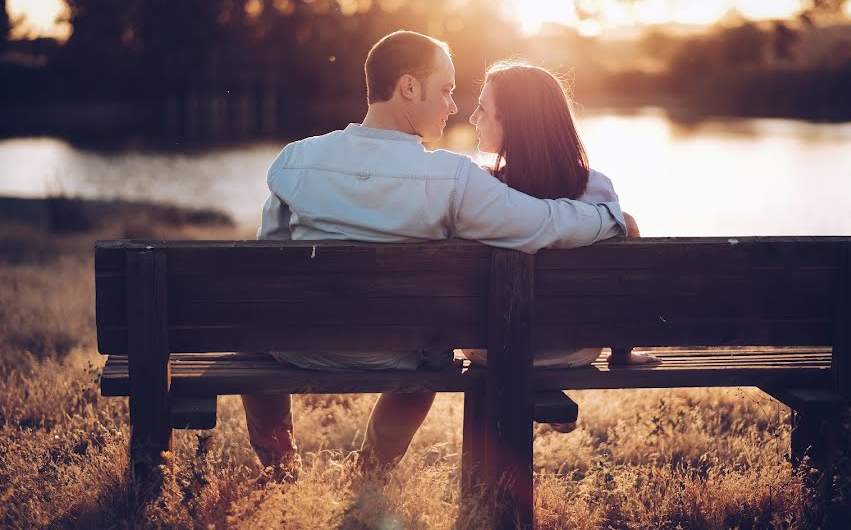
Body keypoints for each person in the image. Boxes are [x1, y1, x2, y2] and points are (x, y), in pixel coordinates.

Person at [241, 31, 631, 479]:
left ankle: (280, 468)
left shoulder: (294, 161)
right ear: (409, 87)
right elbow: (542, 224)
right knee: (428, 362)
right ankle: (369, 472)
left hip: (299, 347)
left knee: (258, 335)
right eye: (445, 90)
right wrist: (607, 217)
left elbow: (263, 264)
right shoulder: (452, 179)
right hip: (401, 353)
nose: (452, 105)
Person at [464, 61, 660, 373]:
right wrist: (622, 352)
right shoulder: (597, 189)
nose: (473, 118)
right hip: (575, 349)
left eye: (482, 109)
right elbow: (623, 280)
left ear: (513, 121)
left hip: (489, 348)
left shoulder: (478, 190)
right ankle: (546, 396)